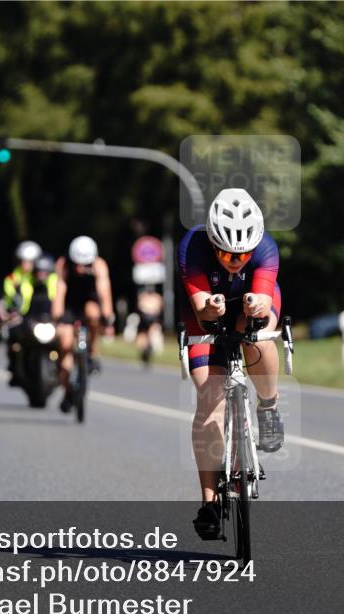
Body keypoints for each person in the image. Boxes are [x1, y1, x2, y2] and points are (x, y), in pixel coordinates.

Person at [177, 188, 285, 540]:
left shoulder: (267, 248)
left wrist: (256, 306)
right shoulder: (192, 246)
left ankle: (268, 406)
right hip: (204, 316)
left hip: (250, 306)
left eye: (243, 254)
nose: (235, 261)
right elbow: (200, 307)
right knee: (209, 402)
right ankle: (209, 501)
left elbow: (266, 300)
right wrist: (211, 307)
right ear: (212, 242)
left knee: (259, 333)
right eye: (225, 253)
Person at [51, 235, 114, 413]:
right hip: (70, 304)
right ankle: (68, 392)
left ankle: (93, 352)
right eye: (77, 263)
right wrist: (57, 317)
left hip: (89, 300)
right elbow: (60, 289)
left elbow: (104, 291)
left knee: (93, 314)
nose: (80, 268)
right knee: (64, 341)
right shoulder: (63, 264)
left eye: (85, 264)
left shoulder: (99, 265)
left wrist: (108, 317)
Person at [0, 241, 43, 385]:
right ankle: (14, 367)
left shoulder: (43, 277)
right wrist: (8, 311)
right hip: (21, 317)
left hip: (40, 318)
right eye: (23, 261)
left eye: (29, 261)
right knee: (13, 336)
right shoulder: (12, 278)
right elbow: (8, 298)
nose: (25, 265)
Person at [135, 284, 164, 366]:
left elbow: (160, 307)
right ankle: (145, 351)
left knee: (151, 334)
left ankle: (149, 349)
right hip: (146, 318)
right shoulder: (145, 297)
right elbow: (140, 306)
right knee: (143, 336)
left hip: (152, 318)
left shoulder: (155, 297)